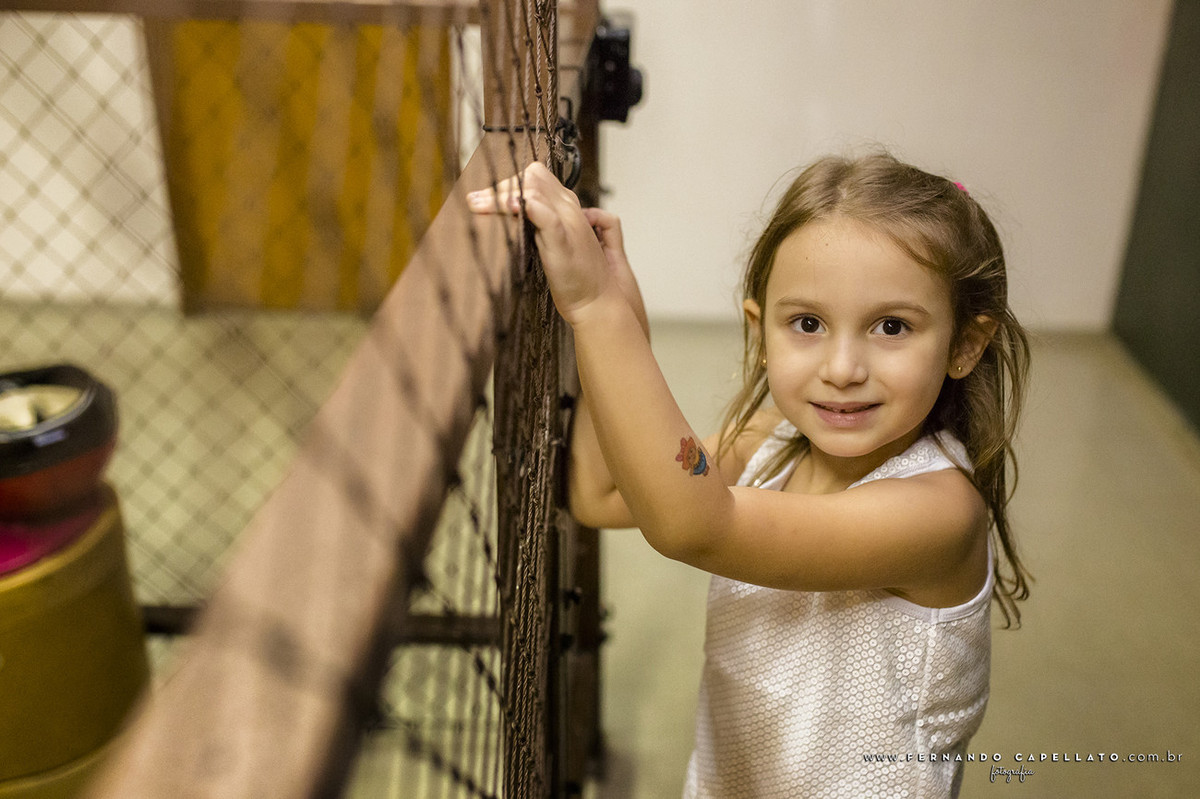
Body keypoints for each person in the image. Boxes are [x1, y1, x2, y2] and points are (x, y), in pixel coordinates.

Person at [468, 152, 1031, 798]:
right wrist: (624, 322)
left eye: (892, 326)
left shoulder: (936, 512)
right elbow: (602, 492)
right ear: (762, 333)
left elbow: (696, 524)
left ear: (965, 342)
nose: (843, 366)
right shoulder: (776, 443)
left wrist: (598, 311)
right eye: (809, 324)